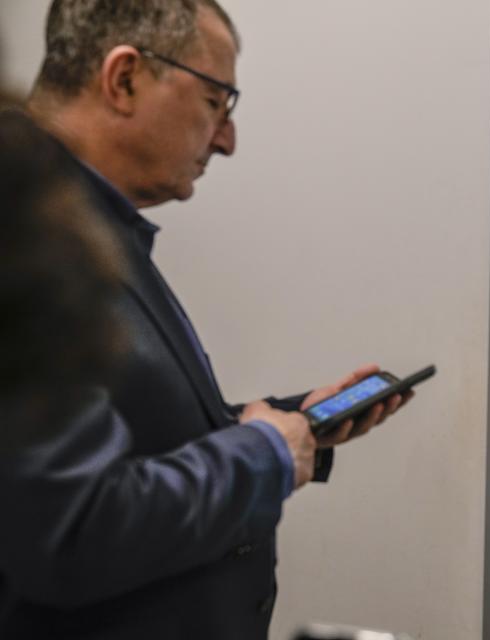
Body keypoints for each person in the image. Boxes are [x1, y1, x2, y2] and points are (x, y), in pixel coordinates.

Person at [4, 1, 410, 638]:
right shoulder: (20, 229)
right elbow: (70, 529)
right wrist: (264, 453)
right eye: (217, 101)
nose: (227, 139)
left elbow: (128, 436)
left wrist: (292, 424)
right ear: (125, 78)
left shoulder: (91, 226)